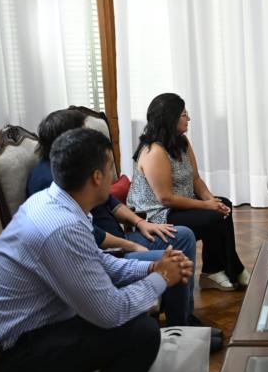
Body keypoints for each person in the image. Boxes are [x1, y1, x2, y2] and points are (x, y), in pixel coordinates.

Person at [0, 128, 193, 372]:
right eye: (111, 166)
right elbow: (110, 313)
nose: (115, 175)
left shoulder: (58, 202)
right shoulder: (61, 227)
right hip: (3, 351)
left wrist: (151, 267)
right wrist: (161, 278)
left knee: (134, 325)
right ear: (97, 176)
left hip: (28, 328)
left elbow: (98, 261)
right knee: (141, 334)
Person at [26, 109, 215, 333]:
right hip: (105, 250)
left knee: (182, 235)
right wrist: (131, 245)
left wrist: (141, 223)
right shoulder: (50, 179)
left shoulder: (76, 166)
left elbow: (111, 202)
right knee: (175, 259)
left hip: (120, 238)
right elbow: (90, 235)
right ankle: (180, 329)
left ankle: (183, 319)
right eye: (84, 131)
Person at [128, 93, 247, 291]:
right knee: (213, 216)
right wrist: (207, 205)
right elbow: (166, 198)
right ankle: (229, 269)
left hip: (179, 204)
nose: (188, 118)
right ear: (170, 118)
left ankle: (214, 271)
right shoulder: (154, 151)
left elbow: (196, 180)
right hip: (159, 214)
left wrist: (212, 201)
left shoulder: (182, 142)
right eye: (184, 115)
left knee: (223, 205)